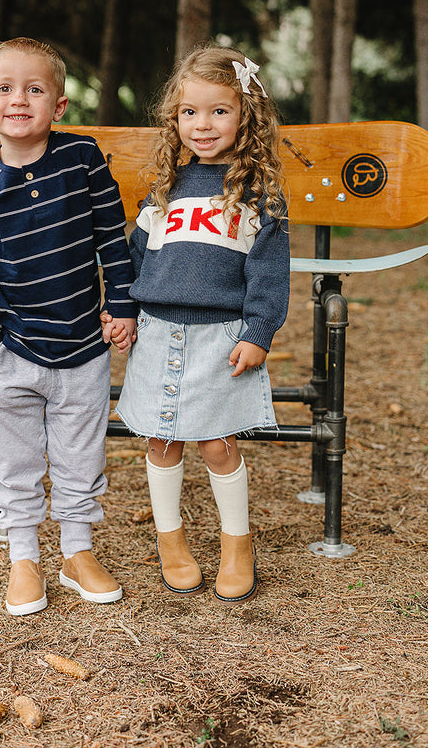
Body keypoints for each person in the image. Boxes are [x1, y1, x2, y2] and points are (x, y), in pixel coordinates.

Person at [0, 37, 137, 617]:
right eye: (5, 89)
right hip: (10, 346)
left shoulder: (82, 160)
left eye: (35, 89)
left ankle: (77, 552)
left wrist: (125, 306)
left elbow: (113, 239)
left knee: (82, 451)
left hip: (83, 343)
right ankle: (24, 556)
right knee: (14, 457)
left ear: (58, 105)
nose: (19, 99)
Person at [106, 44, 289, 603]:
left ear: (245, 117)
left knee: (214, 443)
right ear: (174, 119)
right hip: (158, 330)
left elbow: (268, 272)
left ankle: (238, 542)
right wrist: (124, 311)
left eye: (218, 111)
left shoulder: (256, 193)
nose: (202, 125)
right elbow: (138, 258)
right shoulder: (164, 188)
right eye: (189, 113)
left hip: (221, 337)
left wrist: (258, 332)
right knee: (160, 441)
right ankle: (172, 541)